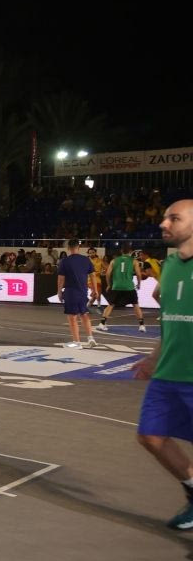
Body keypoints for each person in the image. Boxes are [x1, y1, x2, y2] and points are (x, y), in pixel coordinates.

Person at [133, 199, 193, 530]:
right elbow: (169, 317)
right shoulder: (169, 267)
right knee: (151, 436)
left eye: (174, 218)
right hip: (168, 373)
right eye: (164, 218)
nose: (164, 223)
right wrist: (153, 359)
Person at [56, 239, 97, 349]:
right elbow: (93, 275)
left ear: (68, 248)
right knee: (84, 314)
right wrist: (95, 290)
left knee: (72, 317)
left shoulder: (65, 261)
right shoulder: (86, 259)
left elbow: (61, 278)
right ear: (79, 248)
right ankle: (91, 338)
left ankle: (77, 342)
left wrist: (59, 291)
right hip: (83, 291)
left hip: (71, 292)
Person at [99, 244, 146, 332]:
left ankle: (102, 323)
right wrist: (139, 283)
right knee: (135, 305)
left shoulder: (114, 261)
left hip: (116, 286)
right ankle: (141, 325)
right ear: (130, 252)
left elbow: (108, 274)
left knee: (111, 305)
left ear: (121, 251)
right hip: (129, 287)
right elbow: (139, 274)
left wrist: (109, 285)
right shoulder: (134, 261)